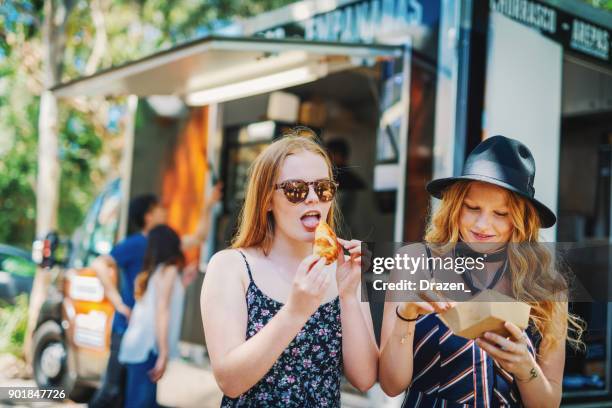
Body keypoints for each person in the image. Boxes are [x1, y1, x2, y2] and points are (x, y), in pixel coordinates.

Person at [378, 135, 584, 407]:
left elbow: (548, 403)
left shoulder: (548, 286)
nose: (482, 225)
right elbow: (392, 386)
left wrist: (526, 368)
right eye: (472, 207)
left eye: (501, 214)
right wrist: (405, 316)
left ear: (521, 221)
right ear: (454, 206)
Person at [201, 129, 378, 407]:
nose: (312, 198)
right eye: (295, 190)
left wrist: (347, 295)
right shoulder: (231, 266)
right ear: (267, 199)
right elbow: (230, 382)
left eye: (323, 188)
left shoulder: (344, 270)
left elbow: (365, 378)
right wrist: (296, 311)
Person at [88, 185, 221, 408]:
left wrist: (208, 206)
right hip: (130, 327)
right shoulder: (136, 243)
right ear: (149, 216)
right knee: (113, 392)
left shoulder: (163, 244)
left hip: (147, 332)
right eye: (160, 208)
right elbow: (98, 264)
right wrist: (119, 303)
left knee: (132, 395)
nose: (165, 211)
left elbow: (199, 237)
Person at [118, 225, 196, 407]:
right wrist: (164, 352)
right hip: (147, 348)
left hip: (140, 345)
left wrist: (183, 282)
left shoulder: (158, 271)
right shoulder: (167, 271)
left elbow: (164, 302)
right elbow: (162, 310)